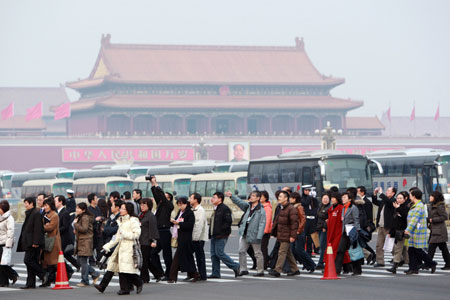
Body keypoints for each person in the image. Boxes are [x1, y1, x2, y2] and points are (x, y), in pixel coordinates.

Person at [103, 203, 143, 295]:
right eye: (121, 208)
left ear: (128, 210)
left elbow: (136, 234)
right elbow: (117, 236)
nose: (120, 210)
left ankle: (137, 282)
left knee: (126, 269)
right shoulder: (121, 220)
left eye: (122, 209)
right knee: (122, 269)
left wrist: (124, 234)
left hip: (130, 247)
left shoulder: (133, 220)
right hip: (121, 247)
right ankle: (125, 288)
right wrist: (108, 246)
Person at [229, 190, 266, 276]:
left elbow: (262, 223)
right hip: (245, 233)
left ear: (258, 198)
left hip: (255, 234)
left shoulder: (261, 210)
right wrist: (232, 196)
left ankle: (260, 271)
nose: (251, 197)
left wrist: (259, 235)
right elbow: (240, 202)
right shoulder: (248, 206)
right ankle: (243, 269)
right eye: (251, 195)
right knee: (241, 251)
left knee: (257, 253)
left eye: (253, 196)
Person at [404, 188, 437, 275]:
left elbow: (414, 220)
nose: (409, 196)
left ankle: (431, 263)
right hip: (413, 232)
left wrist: (407, 230)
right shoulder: (414, 205)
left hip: (417, 232)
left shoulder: (419, 206)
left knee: (418, 251)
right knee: (411, 250)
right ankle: (413, 268)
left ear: (414, 196)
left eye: (410, 195)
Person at [208, 192, 240, 278]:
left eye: (214, 197)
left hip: (221, 235)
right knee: (213, 255)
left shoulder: (224, 208)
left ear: (220, 199)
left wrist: (221, 231)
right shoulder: (216, 208)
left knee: (219, 253)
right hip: (214, 235)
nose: (212, 199)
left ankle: (235, 266)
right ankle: (215, 273)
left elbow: (228, 222)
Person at [94, 199, 124, 293]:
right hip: (111, 243)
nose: (110, 207)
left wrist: (108, 230)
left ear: (118, 208)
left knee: (119, 267)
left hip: (118, 244)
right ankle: (103, 286)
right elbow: (106, 228)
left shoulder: (121, 217)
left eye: (112, 206)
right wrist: (108, 229)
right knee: (113, 266)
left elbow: (115, 230)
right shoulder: (111, 217)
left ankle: (134, 283)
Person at [168, 197, 199, 283]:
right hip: (179, 237)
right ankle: (194, 274)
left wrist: (179, 223)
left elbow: (190, 225)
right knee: (187, 257)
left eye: (181, 204)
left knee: (177, 258)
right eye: (178, 204)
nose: (180, 206)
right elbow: (177, 222)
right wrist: (173, 221)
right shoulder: (180, 212)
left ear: (186, 204)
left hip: (186, 238)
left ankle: (172, 277)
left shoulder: (189, 213)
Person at [17, 197, 46, 289]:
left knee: (28, 260)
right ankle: (30, 283)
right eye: (24, 203)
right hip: (29, 242)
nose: (25, 205)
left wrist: (36, 242)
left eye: (26, 203)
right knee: (31, 262)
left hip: (33, 242)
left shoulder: (36, 213)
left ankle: (43, 274)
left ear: (31, 204)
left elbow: (38, 229)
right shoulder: (30, 213)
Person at [269, 190, 299, 277]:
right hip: (281, 234)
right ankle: (295, 269)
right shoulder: (282, 208)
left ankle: (277, 270)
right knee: (288, 253)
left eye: (281, 196)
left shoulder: (291, 209)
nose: (279, 198)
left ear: (286, 198)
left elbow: (294, 223)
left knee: (282, 252)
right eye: (279, 197)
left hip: (287, 234)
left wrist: (293, 236)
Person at [150, 176, 174, 280]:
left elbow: (162, 198)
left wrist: (156, 184)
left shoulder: (169, 206)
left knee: (166, 254)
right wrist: (152, 184)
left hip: (165, 231)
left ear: (169, 199)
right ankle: (160, 273)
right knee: (153, 253)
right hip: (158, 231)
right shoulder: (160, 205)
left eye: (165, 196)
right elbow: (156, 195)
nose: (162, 197)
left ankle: (169, 273)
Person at [335, 192, 362, 275]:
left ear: (349, 199)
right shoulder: (343, 208)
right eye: (342, 197)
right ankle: (337, 270)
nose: (343, 199)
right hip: (344, 231)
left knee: (354, 250)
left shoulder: (353, 208)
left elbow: (356, 220)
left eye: (345, 197)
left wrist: (357, 231)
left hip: (352, 231)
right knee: (340, 250)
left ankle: (357, 270)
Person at [74, 202, 100, 287]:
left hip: (85, 241)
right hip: (82, 241)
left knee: (83, 262)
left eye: (79, 208)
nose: (76, 210)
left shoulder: (84, 217)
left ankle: (85, 280)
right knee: (80, 261)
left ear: (83, 210)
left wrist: (76, 224)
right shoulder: (81, 217)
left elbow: (84, 229)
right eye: (76, 208)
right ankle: (94, 273)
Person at [289, 192, 315, 273]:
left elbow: (303, 219)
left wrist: (298, 230)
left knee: (300, 249)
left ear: (295, 199)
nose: (290, 199)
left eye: (292, 198)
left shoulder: (299, 207)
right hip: (293, 231)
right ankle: (306, 264)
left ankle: (311, 264)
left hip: (299, 232)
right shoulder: (292, 207)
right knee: (292, 250)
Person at [139, 198, 162, 283]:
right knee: (146, 260)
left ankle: (144, 278)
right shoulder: (141, 214)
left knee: (144, 260)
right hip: (141, 240)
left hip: (147, 241)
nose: (142, 206)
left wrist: (153, 240)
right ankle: (158, 274)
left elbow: (153, 229)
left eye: (144, 205)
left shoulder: (151, 216)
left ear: (149, 206)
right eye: (141, 205)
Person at [386, 191, 410, 274]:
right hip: (396, 231)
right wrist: (391, 232)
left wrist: (398, 208)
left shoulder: (406, 207)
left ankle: (395, 266)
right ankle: (410, 264)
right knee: (403, 250)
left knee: (398, 249)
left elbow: (405, 216)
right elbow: (394, 221)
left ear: (404, 199)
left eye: (400, 198)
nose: (399, 200)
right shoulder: (396, 207)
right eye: (398, 198)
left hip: (403, 231)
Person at [372, 186, 396, 267]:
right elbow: (375, 202)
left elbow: (388, 202)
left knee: (390, 245)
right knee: (379, 245)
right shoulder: (383, 201)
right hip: (381, 225)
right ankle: (380, 261)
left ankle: (399, 258)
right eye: (386, 191)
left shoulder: (393, 201)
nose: (387, 192)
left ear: (393, 193)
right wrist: (375, 194)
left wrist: (381, 193)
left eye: (389, 191)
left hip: (388, 226)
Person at [40, 197, 62, 287]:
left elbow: (50, 227)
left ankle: (65, 273)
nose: (45, 207)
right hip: (46, 240)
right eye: (44, 205)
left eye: (46, 205)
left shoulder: (54, 215)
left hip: (53, 241)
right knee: (47, 262)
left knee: (53, 262)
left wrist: (43, 226)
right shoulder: (44, 214)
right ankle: (48, 280)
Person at [55, 195, 78, 277]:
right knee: (65, 256)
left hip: (64, 239)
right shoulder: (57, 212)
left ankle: (71, 269)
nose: (54, 203)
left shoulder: (65, 212)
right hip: (60, 238)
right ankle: (75, 267)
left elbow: (65, 226)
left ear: (61, 202)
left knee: (60, 255)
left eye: (56, 201)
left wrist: (56, 231)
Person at [327, 193, 351, 271]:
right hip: (331, 232)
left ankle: (334, 267)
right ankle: (347, 267)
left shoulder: (340, 208)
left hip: (338, 232)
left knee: (337, 250)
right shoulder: (331, 209)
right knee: (339, 251)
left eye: (334, 198)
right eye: (331, 198)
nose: (332, 200)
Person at [427, 190, 450, 270]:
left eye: (431, 196)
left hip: (439, 230)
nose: (430, 197)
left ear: (435, 197)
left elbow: (444, 217)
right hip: (435, 230)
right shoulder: (432, 205)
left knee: (431, 247)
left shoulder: (439, 206)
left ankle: (428, 263)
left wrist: (433, 220)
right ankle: (448, 263)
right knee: (443, 248)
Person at [189, 192, 208, 281]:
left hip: (198, 238)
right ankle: (195, 273)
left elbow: (198, 225)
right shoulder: (193, 209)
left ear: (196, 200)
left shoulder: (200, 210)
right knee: (195, 255)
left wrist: (195, 237)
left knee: (200, 256)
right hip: (194, 237)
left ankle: (202, 274)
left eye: (191, 198)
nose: (190, 200)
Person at [0, 200, 19, 287]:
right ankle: (4, 281)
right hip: (0, 242)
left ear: (3, 209)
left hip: (5, 243)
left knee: (3, 263)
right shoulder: (1, 217)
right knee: (1, 264)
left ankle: (13, 275)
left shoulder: (9, 218)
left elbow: (10, 232)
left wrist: (8, 245)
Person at [356, 186, 376, 265]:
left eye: (358, 192)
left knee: (362, 243)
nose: (357, 193)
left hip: (364, 226)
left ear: (362, 192)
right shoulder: (359, 201)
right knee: (362, 243)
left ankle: (372, 256)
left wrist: (367, 226)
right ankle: (369, 256)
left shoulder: (366, 202)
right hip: (362, 225)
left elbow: (368, 215)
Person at [301, 185, 319, 256]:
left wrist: (313, 198)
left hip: (312, 219)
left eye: (309, 190)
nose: (307, 192)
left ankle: (310, 251)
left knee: (311, 236)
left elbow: (316, 206)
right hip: (306, 219)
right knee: (303, 235)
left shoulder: (312, 199)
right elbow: (305, 203)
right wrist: (309, 197)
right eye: (306, 190)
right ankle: (303, 251)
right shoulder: (302, 198)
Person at [87, 193, 105, 264]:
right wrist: (95, 219)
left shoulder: (98, 208)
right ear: (92, 201)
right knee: (91, 247)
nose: (97, 200)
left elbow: (101, 216)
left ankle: (98, 260)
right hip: (91, 230)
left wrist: (101, 219)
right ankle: (91, 261)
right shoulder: (88, 209)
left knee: (99, 246)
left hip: (98, 230)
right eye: (96, 199)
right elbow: (88, 220)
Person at [316, 192, 331, 270]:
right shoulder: (320, 206)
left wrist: (325, 226)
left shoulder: (329, 207)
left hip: (324, 229)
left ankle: (321, 262)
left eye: (326, 199)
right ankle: (322, 261)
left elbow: (329, 219)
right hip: (319, 228)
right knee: (321, 246)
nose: (325, 200)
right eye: (323, 198)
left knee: (323, 246)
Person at [260, 191, 272, 269]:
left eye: (261, 197)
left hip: (265, 231)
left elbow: (268, 220)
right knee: (261, 248)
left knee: (263, 248)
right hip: (261, 230)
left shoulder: (267, 207)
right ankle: (266, 261)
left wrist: (265, 231)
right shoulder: (261, 206)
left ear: (265, 198)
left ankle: (265, 263)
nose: (260, 198)